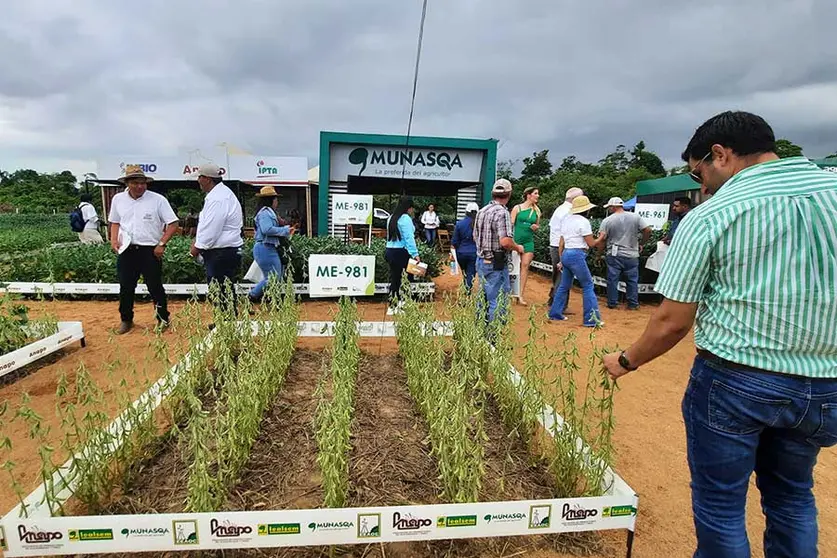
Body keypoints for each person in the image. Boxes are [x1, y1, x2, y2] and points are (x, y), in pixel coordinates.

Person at [602, 111, 837, 558]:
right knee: (792, 497)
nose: (702, 186)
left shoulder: (715, 214)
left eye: (699, 173)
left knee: (721, 507)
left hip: (736, 382)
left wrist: (626, 360)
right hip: (826, 385)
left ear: (720, 155)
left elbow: (672, 321)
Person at [108, 165, 178, 334]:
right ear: (127, 183)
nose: (140, 186)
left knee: (155, 286)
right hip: (127, 249)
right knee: (126, 286)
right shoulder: (118, 199)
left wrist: (162, 244)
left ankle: (162, 319)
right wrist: (113, 240)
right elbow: (115, 222)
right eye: (135, 183)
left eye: (143, 183)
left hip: (150, 250)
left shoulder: (158, 200)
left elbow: (173, 223)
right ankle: (126, 320)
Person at [189, 163, 244, 313]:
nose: (198, 181)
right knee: (224, 287)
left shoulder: (217, 198)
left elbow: (212, 228)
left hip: (221, 252)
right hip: (225, 250)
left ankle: (225, 320)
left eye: (200, 177)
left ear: (207, 179)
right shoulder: (221, 194)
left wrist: (197, 247)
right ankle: (227, 318)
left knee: (219, 288)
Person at [473, 179, 524, 328]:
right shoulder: (503, 212)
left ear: (493, 193)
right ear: (509, 194)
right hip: (496, 263)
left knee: (482, 297)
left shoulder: (482, 211)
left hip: (481, 260)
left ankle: (479, 330)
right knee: (497, 299)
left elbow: (475, 236)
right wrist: (518, 248)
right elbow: (505, 242)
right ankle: (493, 333)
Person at [547, 195, 602, 327]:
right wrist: (601, 237)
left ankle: (555, 313)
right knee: (588, 285)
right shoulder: (584, 222)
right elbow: (591, 243)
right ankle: (591, 319)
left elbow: (561, 243)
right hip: (577, 254)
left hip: (566, 253)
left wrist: (561, 259)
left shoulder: (566, 220)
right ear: (586, 210)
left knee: (564, 285)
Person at [596, 197, 651, 310]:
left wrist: (598, 255)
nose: (609, 209)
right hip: (632, 254)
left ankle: (612, 303)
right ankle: (633, 304)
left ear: (613, 207)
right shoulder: (635, 217)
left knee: (612, 280)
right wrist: (641, 243)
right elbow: (648, 230)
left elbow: (602, 240)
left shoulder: (607, 220)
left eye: (609, 207)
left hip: (614, 254)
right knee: (632, 280)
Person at [249, 186, 294, 302]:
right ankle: (252, 296)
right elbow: (266, 229)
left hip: (268, 247)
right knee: (273, 277)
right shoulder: (265, 213)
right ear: (271, 200)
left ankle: (270, 300)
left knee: (274, 277)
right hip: (265, 247)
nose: (277, 202)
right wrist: (285, 230)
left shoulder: (268, 213)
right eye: (276, 199)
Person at [547, 187, 584, 308]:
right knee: (564, 278)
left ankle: (554, 301)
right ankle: (559, 306)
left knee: (558, 276)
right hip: (563, 247)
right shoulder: (569, 212)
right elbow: (566, 233)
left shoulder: (559, 209)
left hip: (554, 246)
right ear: (575, 199)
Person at [385, 195, 420, 315]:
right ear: (408, 208)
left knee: (395, 278)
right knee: (407, 278)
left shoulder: (391, 218)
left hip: (390, 250)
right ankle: (403, 304)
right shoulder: (405, 219)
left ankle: (392, 305)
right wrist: (415, 254)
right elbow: (409, 237)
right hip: (402, 251)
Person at [510, 187, 541, 305]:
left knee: (525, 266)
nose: (538, 196)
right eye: (535, 193)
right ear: (528, 195)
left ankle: (520, 295)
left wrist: (535, 228)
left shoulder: (537, 211)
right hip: (515, 241)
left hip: (528, 241)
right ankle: (512, 292)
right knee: (513, 267)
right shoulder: (517, 208)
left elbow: (537, 226)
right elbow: (511, 224)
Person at [451, 202, 479, 292]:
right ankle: (467, 291)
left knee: (465, 273)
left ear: (466, 212)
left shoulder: (459, 224)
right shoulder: (479, 224)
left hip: (461, 253)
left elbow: (454, 242)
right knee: (470, 273)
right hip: (474, 253)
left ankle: (466, 288)